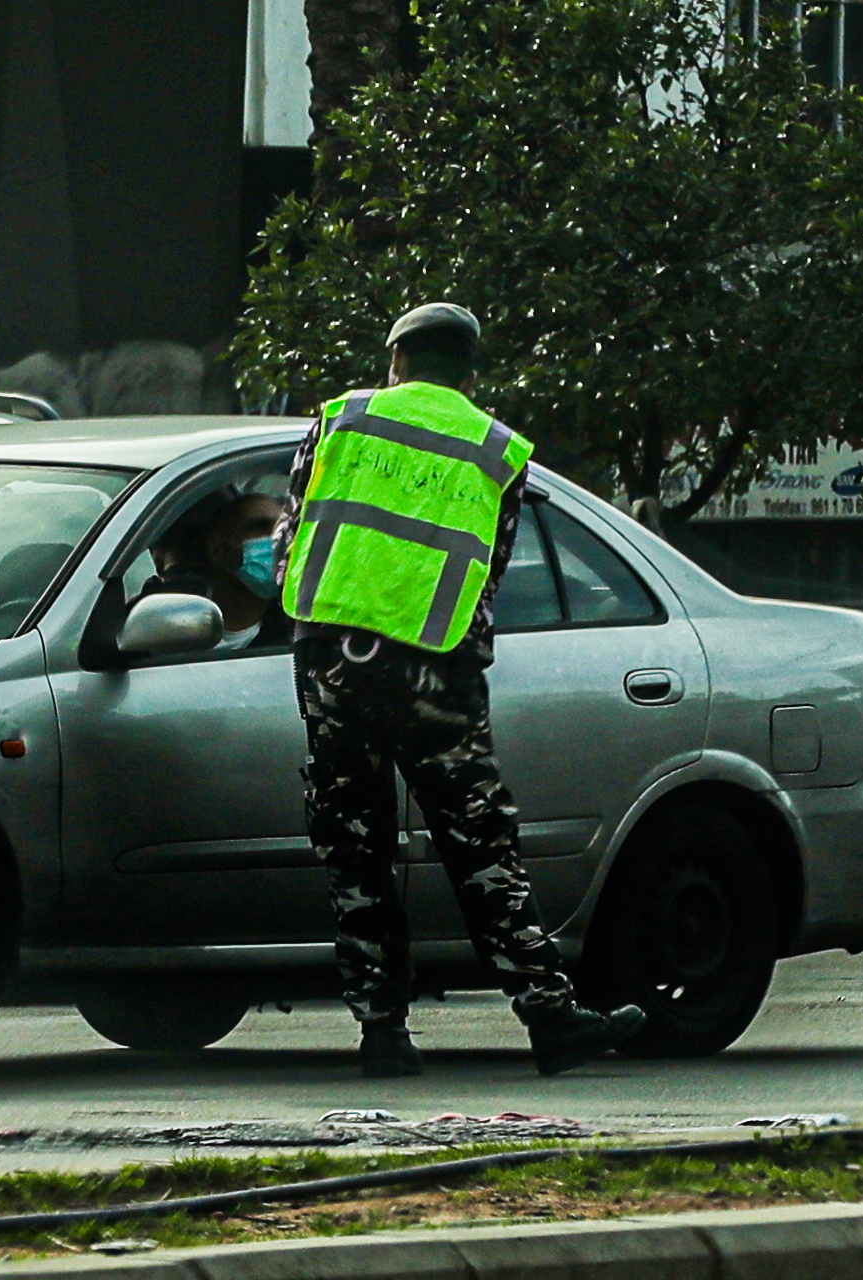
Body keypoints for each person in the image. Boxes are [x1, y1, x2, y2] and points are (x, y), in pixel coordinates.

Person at [275, 302, 644, 1078]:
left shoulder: (340, 421)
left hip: (332, 664)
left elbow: (293, 535)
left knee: (355, 847)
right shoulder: (496, 451)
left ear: (396, 360)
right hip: (436, 673)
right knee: (482, 850)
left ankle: (383, 1034)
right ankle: (549, 1016)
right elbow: (490, 571)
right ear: (470, 375)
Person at [138, 490, 291, 651]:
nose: (278, 540)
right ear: (218, 549)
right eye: (262, 528)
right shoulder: (166, 609)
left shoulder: (296, 634)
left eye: (283, 530)